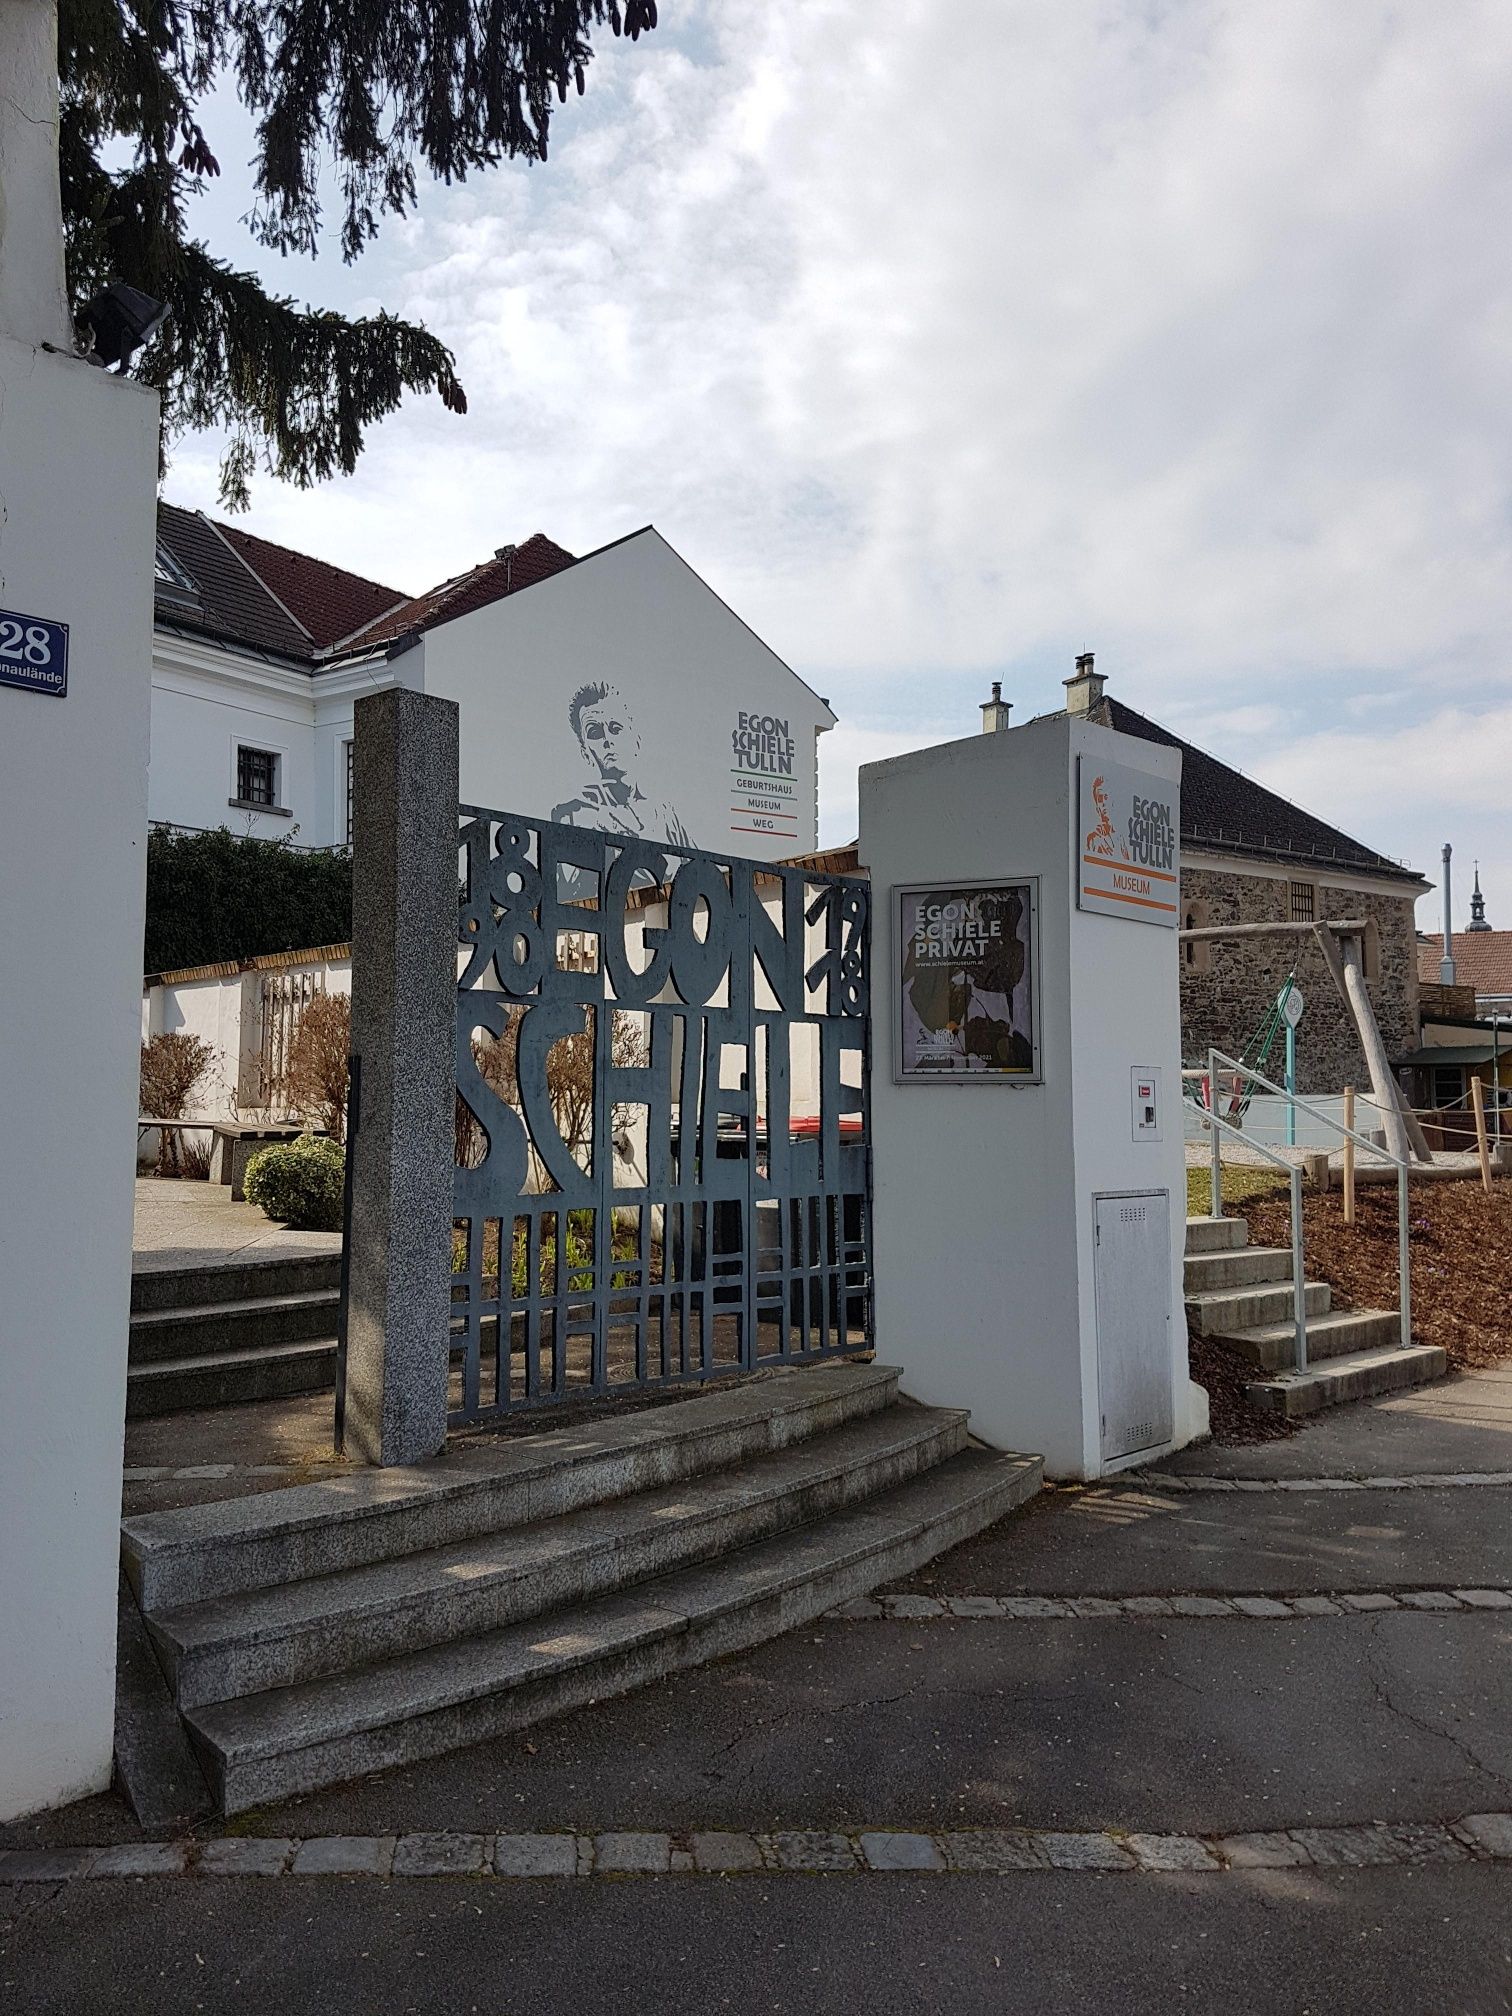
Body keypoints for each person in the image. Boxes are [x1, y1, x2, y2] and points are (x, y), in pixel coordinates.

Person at [551, 682, 692, 850]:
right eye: (595, 733)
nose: (607, 740)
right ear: (585, 752)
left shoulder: (665, 815)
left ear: (636, 739)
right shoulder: (576, 812)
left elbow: (700, 865)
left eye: (615, 729)